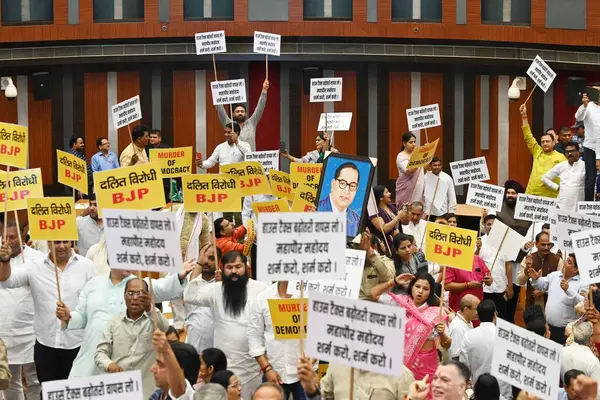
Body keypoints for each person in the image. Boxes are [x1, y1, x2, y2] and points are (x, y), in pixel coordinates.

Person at [55, 263, 191, 378]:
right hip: (90, 355)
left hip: (123, 363)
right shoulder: (93, 284)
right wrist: (68, 317)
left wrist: (179, 276)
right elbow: (82, 317)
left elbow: (163, 287)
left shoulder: (139, 285)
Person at [0, 240, 96, 383]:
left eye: (65, 241)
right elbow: (7, 281)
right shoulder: (34, 265)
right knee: (48, 393)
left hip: (78, 346)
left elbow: (94, 303)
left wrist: (72, 317)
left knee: (75, 394)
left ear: (72, 242)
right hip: (45, 346)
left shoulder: (87, 267)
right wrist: (5, 261)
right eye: (57, 242)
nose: (62, 246)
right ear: (48, 243)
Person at [184, 251, 269, 399]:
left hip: (251, 364)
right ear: (223, 269)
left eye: (238, 266)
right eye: (229, 267)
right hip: (225, 364)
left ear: (246, 267)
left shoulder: (261, 288)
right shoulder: (216, 289)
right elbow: (190, 296)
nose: (234, 271)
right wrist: (198, 264)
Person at [371, 271, 451, 385]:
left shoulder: (436, 313)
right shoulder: (400, 302)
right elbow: (374, 294)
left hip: (424, 365)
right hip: (398, 361)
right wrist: (393, 281)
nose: (420, 291)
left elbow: (447, 345)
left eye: (425, 289)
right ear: (411, 286)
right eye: (417, 286)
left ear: (430, 292)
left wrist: (442, 334)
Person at [94, 278, 169, 398]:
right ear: (124, 296)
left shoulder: (153, 321)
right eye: (130, 293)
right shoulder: (114, 323)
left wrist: (150, 308)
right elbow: (100, 353)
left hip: (146, 390)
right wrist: (109, 365)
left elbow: (165, 327)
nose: (134, 298)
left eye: (139, 294)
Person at [0, 221, 42, 400]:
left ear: (23, 235)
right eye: (5, 237)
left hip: (32, 331)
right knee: (10, 380)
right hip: (4, 330)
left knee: (35, 380)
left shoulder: (38, 257)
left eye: (13, 237)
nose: (8, 241)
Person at [248, 281, 309, 399]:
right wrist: (267, 368)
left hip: (306, 374)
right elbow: (254, 336)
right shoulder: (262, 298)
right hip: (273, 372)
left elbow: (320, 335)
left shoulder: (309, 296)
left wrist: (310, 364)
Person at [494, 180, 532, 324]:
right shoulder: (498, 208)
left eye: (514, 193)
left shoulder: (527, 210)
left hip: (520, 255)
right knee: (502, 287)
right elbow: (489, 229)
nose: (510, 195)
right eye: (508, 193)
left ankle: (510, 319)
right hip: (502, 255)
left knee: (515, 289)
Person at [527, 253, 584, 345]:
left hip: (566, 331)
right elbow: (541, 285)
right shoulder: (555, 275)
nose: (564, 263)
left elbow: (582, 304)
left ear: (576, 269)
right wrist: (535, 279)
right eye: (566, 260)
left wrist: (568, 290)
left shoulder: (582, 283)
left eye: (569, 262)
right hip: (548, 327)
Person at [459, 300, 511, 399]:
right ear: (495, 314)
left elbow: (464, 365)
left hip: (478, 389)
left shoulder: (468, 336)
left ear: (478, 316)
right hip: (502, 389)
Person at [519, 104, 566, 197]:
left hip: (550, 197)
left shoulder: (561, 157)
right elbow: (528, 137)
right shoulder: (538, 152)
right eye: (543, 142)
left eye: (547, 141)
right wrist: (524, 116)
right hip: (531, 193)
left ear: (554, 142)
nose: (545, 143)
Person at [185, 244, 221, 353]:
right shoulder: (189, 279)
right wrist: (198, 264)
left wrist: (223, 285)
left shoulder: (223, 282)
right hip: (192, 343)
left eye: (211, 258)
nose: (206, 261)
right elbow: (187, 295)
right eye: (203, 257)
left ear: (218, 262)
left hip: (216, 346)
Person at [216, 79, 269, 152]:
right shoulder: (229, 125)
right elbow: (220, 110)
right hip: (235, 161)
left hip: (250, 161)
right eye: (237, 111)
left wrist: (264, 90)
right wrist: (216, 91)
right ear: (233, 114)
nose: (240, 113)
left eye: (242, 111)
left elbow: (260, 107)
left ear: (245, 113)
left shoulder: (252, 123)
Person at [517, 231, 563, 309]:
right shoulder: (528, 258)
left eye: (549, 244)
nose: (546, 247)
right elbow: (520, 281)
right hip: (531, 303)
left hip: (551, 305)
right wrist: (526, 270)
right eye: (543, 245)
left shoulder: (557, 260)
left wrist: (543, 291)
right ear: (536, 244)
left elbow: (560, 284)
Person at [151, 329, 201, 399]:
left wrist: (166, 350)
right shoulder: (156, 395)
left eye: (161, 365)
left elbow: (180, 391)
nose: (152, 369)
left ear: (180, 371)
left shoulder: (188, 397)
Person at [479, 215, 512, 319]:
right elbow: (474, 261)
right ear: (484, 226)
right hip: (483, 287)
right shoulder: (479, 241)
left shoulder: (505, 242)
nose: (491, 226)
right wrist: (477, 248)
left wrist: (510, 285)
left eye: (494, 224)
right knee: (485, 318)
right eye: (489, 224)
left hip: (500, 287)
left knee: (501, 317)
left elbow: (508, 264)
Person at [317, 162, 361, 238]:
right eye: (342, 183)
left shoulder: (357, 221)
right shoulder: (315, 211)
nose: (347, 191)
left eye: (352, 186)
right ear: (333, 184)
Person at [541, 141, 585, 211]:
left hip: (579, 205)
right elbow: (544, 178)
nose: (569, 154)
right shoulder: (561, 165)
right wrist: (556, 187)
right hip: (562, 204)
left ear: (578, 152)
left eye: (572, 151)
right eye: (567, 152)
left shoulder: (584, 165)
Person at [575, 89, 600, 201]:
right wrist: (584, 105)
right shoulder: (588, 106)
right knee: (590, 178)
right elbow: (578, 117)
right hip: (590, 146)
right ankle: (587, 207)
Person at [561, 322, 600, 391]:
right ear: (590, 339)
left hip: (566, 394)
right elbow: (597, 392)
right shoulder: (593, 361)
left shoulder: (562, 351)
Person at [359, 231, 395, 301]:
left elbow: (388, 278)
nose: (359, 250)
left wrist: (370, 251)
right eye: (357, 247)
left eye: (363, 247)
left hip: (376, 305)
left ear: (374, 246)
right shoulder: (353, 261)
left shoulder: (387, 261)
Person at [369, 185, 404, 252]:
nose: (390, 193)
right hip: (386, 244)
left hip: (398, 240)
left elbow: (404, 222)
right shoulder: (375, 212)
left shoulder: (391, 207)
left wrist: (406, 213)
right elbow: (383, 229)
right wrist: (398, 217)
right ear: (381, 197)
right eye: (387, 192)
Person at [396, 132, 424, 209]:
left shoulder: (417, 154)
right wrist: (420, 159)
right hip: (406, 192)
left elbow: (426, 168)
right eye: (411, 142)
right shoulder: (401, 156)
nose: (414, 144)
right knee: (407, 215)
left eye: (415, 142)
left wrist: (427, 153)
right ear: (404, 143)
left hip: (419, 190)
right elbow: (408, 171)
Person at [447, 294, 479, 361]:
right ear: (466, 309)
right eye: (476, 309)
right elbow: (455, 356)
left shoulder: (468, 321)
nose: (479, 312)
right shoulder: (457, 328)